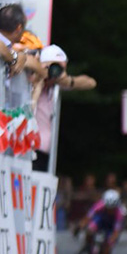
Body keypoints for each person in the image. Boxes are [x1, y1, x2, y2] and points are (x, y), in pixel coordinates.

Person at [30, 44, 97, 172]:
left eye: (61, 69)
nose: (56, 72)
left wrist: (68, 81)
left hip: (46, 152)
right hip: (27, 149)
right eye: (54, 67)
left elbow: (91, 83)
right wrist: (39, 79)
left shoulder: (56, 86)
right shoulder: (29, 81)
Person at [76, 189, 127, 254]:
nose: (110, 210)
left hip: (112, 226)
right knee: (89, 230)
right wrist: (81, 226)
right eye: (108, 207)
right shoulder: (100, 204)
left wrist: (110, 241)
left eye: (112, 208)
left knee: (107, 248)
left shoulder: (119, 212)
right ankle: (87, 251)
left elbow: (116, 232)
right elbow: (88, 217)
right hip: (101, 220)